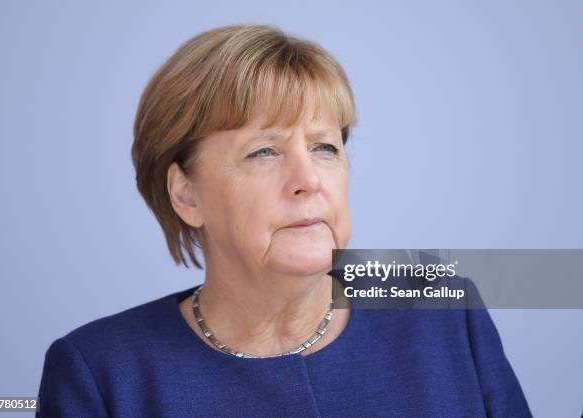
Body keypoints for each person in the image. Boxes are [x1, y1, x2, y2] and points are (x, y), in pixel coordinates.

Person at [36, 24, 532, 417]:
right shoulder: (100, 373)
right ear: (186, 194)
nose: (308, 179)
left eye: (324, 147)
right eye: (264, 151)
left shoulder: (444, 313)